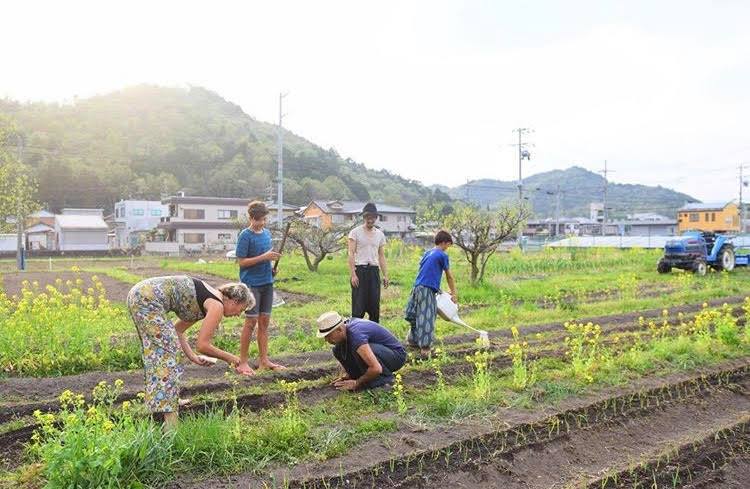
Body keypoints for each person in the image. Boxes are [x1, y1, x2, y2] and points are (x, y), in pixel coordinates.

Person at [127, 276, 254, 427]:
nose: (238, 314)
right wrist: (234, 360)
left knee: (164, 352)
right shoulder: (217, 305)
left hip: (140, 294)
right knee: (166, 354)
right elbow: (203, 345)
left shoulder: (205, 301)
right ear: (235, 301)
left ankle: (168, 399)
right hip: (146, 298)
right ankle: (170, 423)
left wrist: (193, 357)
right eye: (242, 309)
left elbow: (178, 331)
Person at [235, 201, 286, 375]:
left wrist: (272, 268)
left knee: (264, 323)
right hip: (251, 285)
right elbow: (242, 262)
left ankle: (264, 361)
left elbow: (266, 259)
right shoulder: (245, 236)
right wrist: (264, 257)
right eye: (258, 220)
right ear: (250, 218)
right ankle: (243, 362)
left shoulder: (267, 234)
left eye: (263, 219)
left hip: (267, 283)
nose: (261, 223)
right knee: (251, 323)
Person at [317, 311, 407, 391]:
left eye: (328, 336)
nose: (326, 340)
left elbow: (376, 368)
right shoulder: (346, 329)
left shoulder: (356, 335)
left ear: (339, 330)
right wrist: (348, 376)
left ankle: (383, 381)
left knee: (360, 349)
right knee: (337, 350)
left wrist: (357, 383)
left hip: (396, 356)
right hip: (380, 354)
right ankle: (361, 377)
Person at [404, 230, 458, 356]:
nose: (447, 248)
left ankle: (413, 340)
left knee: (414, 314)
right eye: (448, 245)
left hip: (417, 287)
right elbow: (449, 276)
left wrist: (438, 289)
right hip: (426, 289)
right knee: (426, 316)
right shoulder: (442, 255)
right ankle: (426, 348)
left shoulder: (428, 253)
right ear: (444, 243)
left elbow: (426, 272)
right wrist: (454, 293)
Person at [348, 202, 389, 323]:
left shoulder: (380, 235)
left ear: (376, 218)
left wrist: (385, 275)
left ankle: (374, 337)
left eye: (372, 217)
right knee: (358, 308)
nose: (370, 220)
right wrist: (353, 274)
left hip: (374, 272)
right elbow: (351, 253)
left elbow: (381, 255)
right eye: (367, 217)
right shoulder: (355, 232)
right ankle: (355, 336)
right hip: (360, 271)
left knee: (374, 307)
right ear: (364, 217)